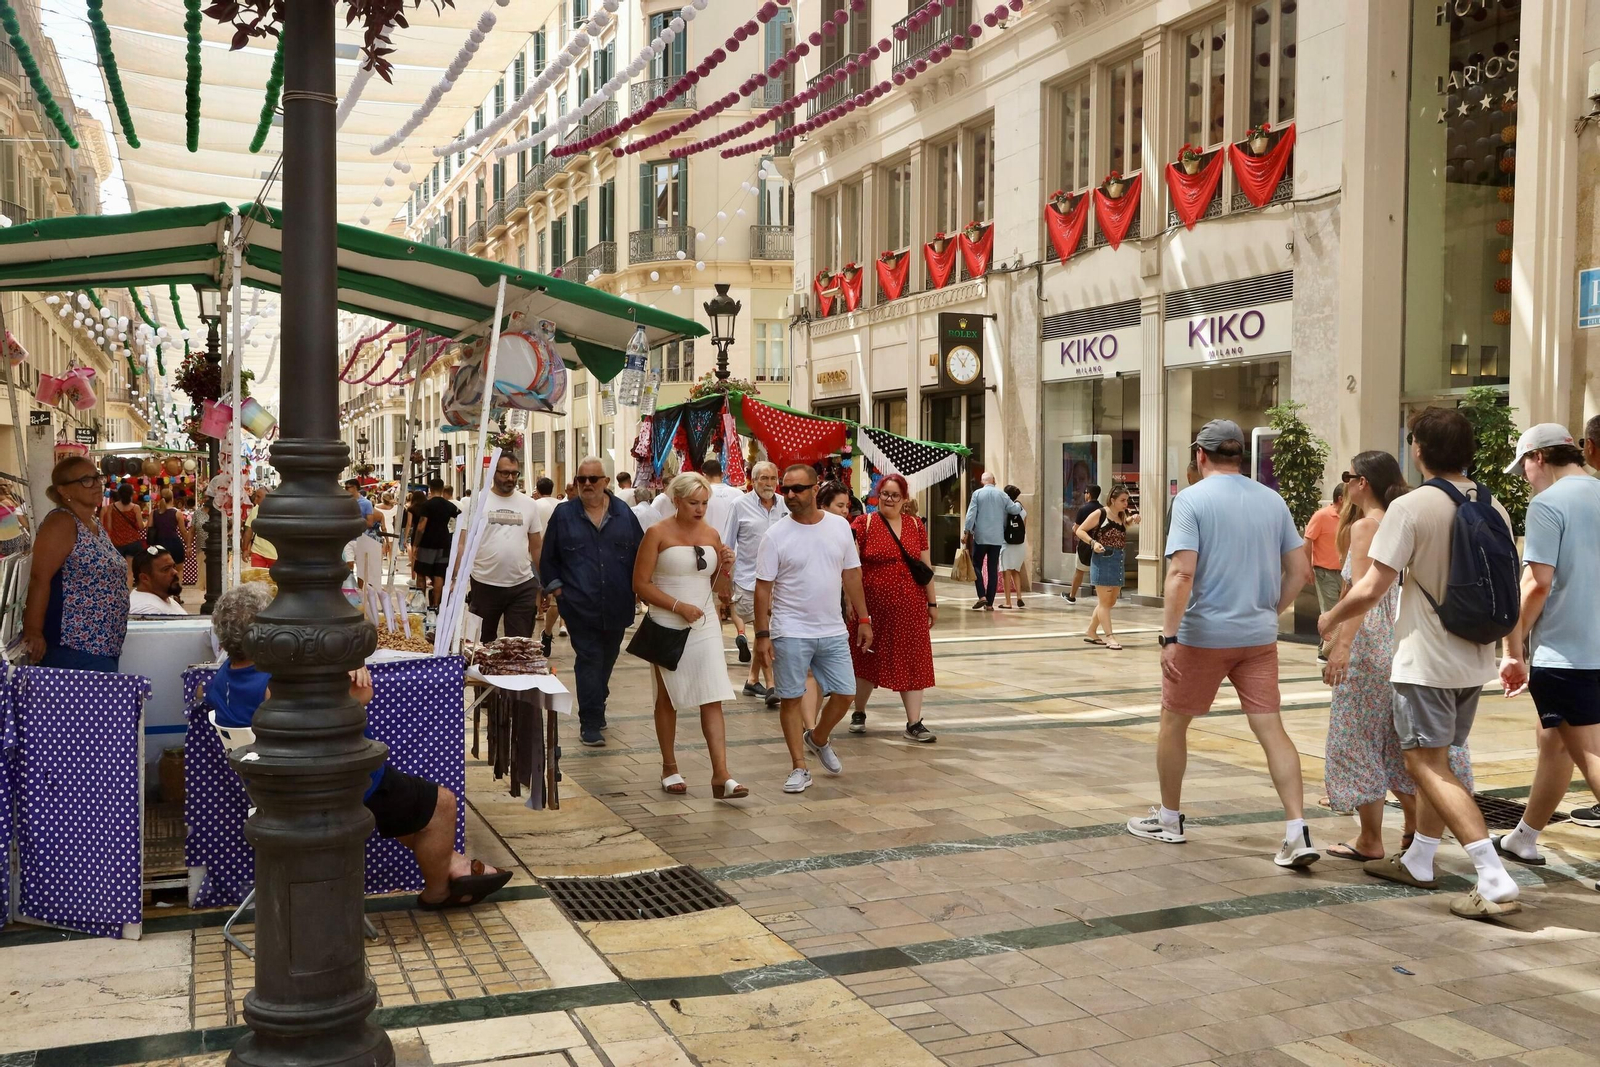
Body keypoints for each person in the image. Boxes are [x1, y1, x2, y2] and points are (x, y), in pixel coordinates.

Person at [1318, 406, 1520, 919]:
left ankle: (1491, 873)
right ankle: (1421, 860)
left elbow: (1371, 587)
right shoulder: (1492, 506)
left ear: (1419, 450)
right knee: (1443, 758)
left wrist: (1332, 619)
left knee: (1425, 764)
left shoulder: (1412, 508)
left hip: (1426, 660)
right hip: (1475, 658)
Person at [206, 583, 511, 909]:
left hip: (274, 788)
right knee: (442, 804)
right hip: (328, 783)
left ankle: (454, 865)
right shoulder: (277, 681)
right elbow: (361, 697)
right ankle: (437, 893)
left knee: (410, 808)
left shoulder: (222, 679)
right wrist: (348, 664)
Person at [1129, 420, 1318, 869]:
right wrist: (1269, 612)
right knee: (1271, 730)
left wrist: (1170, 636)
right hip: (1257, 637)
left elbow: (1180, 574)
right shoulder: (1272, 500)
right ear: (1239, 457)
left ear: (1200, 456)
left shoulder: (1191, 500)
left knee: (1173, 726)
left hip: (1202, 636)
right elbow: (1301, 572)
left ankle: (1170, 819)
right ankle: (1297, 831)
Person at [1319, 452, 1473, 861]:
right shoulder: (1411, 516)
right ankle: (1411, 827)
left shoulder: (1366, 526)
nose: (1347, 483)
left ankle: (1370, 839)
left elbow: (1364, 594)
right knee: (1398, 738)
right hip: (1406, 639)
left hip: (1370, 642)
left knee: (1357, 738)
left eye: (1348, 476)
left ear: (1362, 483)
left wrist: (1342, 644)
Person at [1495, 425, 1600, 858]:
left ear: (1537, 457)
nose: (1525, 478)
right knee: (1553, 741)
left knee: (1590, 754)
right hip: (1590, 647)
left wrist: (1512, 647)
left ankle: (1524, 837)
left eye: (1523, 467)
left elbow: (1538, 584)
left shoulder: (1548, 504)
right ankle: (1524, 836)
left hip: (1565, 653)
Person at [754, 464, 872, 794]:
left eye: (797, 489)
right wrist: (762, 635)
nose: (789, 495)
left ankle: (817, 738)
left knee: (846, 692)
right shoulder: (775, 535)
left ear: (814, 488)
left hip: (832, 628)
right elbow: (763, 588)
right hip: (790, 629)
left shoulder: (838, 527)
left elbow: (851, 575)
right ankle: (798, 766)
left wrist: (864, 619)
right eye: (785, 489)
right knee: (791, 699)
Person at [632, 473, 745, 799]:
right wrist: (678, 605)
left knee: (713, 694)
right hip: (667, 619)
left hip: (705, 621)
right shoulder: (656, 533)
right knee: (667, 697)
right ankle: (669, 766)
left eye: (704, 503)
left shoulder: (710, 533)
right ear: (676, 500)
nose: (700, 509)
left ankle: (721, 774)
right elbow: (640, 584)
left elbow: (721, 590)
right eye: (693, 503)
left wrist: (726, 566)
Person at [540, 457, 644, 747]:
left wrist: (640, 590)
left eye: (593, 479)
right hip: (578, 605)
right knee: (588, 659)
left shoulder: (624, 514)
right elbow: (548, 559)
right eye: (581, 479)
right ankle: (590, 721)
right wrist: (559, 593)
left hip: (617, 604)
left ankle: (598, 701)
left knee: (607, 660)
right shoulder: (563, 515)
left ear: (605, 482)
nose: (586, 484)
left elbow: (641, 555)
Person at [848, 473, 937, 742]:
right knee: (867, 659)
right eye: (884, 493)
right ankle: (859, 710)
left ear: (904, 499)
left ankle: (914, 722)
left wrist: (932, 603)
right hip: (872, 606)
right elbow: (851, 568)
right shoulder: (864, 523)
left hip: (911, 605)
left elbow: (926, 567)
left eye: (895, 495)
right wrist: (851, 603)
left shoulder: (915, 525)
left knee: (913, 660)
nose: (888, 499)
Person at [23, 457, 129, 671]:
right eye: (86, 480)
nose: (97, 484)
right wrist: (33, 630)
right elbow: (39, 578)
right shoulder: (61, 522)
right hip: (74, 646)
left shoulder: (93, 523)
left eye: (97, 478)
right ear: (64, 491)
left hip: (104, 646)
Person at [724, 462, 785, 707]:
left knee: (769, 631)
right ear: (754, 480)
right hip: (750, 580)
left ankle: (753, 680)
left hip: (781, 582)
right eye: (764, 479)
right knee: (765, 631)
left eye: (773, 478)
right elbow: (727, 545)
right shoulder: (739, 505)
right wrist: (724, 582)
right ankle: (770, 684)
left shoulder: (785, 505)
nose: (769, 483)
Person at [466, 454, 544, 641]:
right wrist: (455, 580)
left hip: (522, 585)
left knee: (519, 645)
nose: (510, 478)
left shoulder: (529, 504)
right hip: (484, 584)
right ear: (493, 473)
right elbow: (463, 543)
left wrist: (544, 581)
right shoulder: (476, 502)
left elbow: (537, 547)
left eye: (514, 473)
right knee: (480, 645)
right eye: (505, 473)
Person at [1078, 485, 1137, 650]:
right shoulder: (1100, 513)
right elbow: (1080, 530)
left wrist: (1132, 520)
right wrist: (1093, 542)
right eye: (1122, 500)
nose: (1126, 504)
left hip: (1118, 558)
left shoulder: (1121, 516)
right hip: (1103, 558)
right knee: (1104, 601)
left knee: (1110, 601)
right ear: (1113, 500)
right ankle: (1110, 636)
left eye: (1127, 500)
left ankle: (1091, 631)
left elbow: (1120, 529)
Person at [962, 471, 1022, 610]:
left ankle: (982, 596)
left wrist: (966, 532)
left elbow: (971, 514)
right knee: (992, 569)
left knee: (976, 565)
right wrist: (1019, 505)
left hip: (981, 537)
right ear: (993, 480)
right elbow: (1013, 509)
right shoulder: (1002, 494)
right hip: (996, 538)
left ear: (982, 482)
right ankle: (989, 604)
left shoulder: (977, 494)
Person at [1304, 483, 1346, 660]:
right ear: (1341, 499)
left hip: (1344, 573)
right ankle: (1326, 652)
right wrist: (1307, 568)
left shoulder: (1350, 517)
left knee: (1342, 610)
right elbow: (1307, 541)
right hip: (1325, 572)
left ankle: (1327, 648)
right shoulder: (1321, 516)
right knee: (1330, 611)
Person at [409, 478, 459, 609]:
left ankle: (421, 604)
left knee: (421, 573)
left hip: (427, 543)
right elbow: (458, 520)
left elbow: (421, 527)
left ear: (430, 489)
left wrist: (415, 544)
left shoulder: (427, 505)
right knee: (439, 574)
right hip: (444, 543)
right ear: (442, 489)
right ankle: (435, 605)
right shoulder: (450, 506)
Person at [532, 477, 564, 655]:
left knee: (538, 587)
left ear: (537, 489)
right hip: (560, 556)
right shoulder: (561, 505)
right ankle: (550, 629)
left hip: (537, 552)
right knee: (555, 594)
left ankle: (539, 613)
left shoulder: (535, 505)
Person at [1064, 485, 1103, 605]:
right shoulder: (1103, 509)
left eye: (1085, 492)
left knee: (1079, 571)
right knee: (1099, 571)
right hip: (1100, 544)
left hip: (1085, 545)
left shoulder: (1083, 509)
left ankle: (1072, 596)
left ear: (1089, 494)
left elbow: (1077, 528)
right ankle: (1102, 598)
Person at [344, 478, 384, 591]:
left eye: (348, 487)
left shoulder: (366, 503)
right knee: (349, 563)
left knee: (361, 568)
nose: (346, 490)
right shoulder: (344, 502)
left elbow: (370, 523)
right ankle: (349, 587)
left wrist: (355, 520)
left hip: (361, 538)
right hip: (347, 539)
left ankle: (360, 591)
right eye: (346, 488)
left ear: (356, 488)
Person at [130, 545, 186, 615]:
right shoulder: (147, 610)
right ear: (145, 578)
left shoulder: (162, 598)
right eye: (166, 569)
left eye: (173, 567)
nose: (175, 572)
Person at [102, 480, 146, 569]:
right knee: (130, 570)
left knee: (119, 570)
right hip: (133, 542)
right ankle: (129, 583)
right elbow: (141, 527)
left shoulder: (112, 507)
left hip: (117, 543)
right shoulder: (135, 508)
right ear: (131, 494)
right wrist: (146, 523)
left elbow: (109, 527)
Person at [997, 484, 1027, 609]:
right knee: (1016, 571)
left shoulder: (1005, 510)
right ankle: (1019, 597)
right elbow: (1024, 527)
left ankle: (1008, 602)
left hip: (1007, 543)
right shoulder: (1022, 509)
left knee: (1006, 573)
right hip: (1021, 543)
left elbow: (1002, 527)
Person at [243, 487, 277, 571]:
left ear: (268, 497)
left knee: (273, 582)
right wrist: (245, 549)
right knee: (258, 581)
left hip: (275, 556)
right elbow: (249, 531)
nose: (255, 500)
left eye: (259, 497)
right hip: (258, 552)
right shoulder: (255, 510)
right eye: (256, 496)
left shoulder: (280, 511)